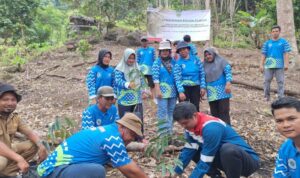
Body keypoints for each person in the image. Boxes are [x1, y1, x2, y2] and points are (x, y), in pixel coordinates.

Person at [37, 113, 148, 178]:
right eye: (132, 135)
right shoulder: (113, 139)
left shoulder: (108, 130)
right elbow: (130, 170)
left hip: (54, 168)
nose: (132, 139)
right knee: (97, 171)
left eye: (135, 137)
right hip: (52, 171)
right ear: (122, 127)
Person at [172, 102, 260, 178]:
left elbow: (206, 159)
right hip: (224, 159)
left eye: (185, 123)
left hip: (247, 162)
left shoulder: (210, 128)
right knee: (193, 150)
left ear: (194, 115)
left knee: (228, 150)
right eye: (181, 124)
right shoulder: (191, 127)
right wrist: (176, 172)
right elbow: (188, 151)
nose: (183, 127)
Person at [0, 83, 48, 177]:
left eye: (13, 100)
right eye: (5, 99)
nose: (10, 103)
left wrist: (41, 146)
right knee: (1, 162)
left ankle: (7, 173)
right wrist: (19, 158)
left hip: (8, 149)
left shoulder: (14, 117)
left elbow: (29, 133)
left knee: (34, 144)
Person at [114, 48, 146, 132]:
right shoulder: (119, 69)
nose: (131, 60)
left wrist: (144, 90)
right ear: (125, 57)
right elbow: (117, 81)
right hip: (124, 100)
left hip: (137, 99)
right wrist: (127, 84)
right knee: (125, 121)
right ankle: (126, 141)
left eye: (133, 58)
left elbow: (142, 80)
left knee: (137, 119)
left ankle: (139, 139)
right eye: (129, 58)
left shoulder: (137, 67)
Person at [152, 40, 177, 135]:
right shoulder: (157, 63)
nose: (165, 52)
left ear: (169, 51)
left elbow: (177, 76)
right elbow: (155, 77)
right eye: (163, 50)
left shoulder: (174, 62)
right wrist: (157, 90)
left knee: (171, 111)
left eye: (166, 50)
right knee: (162, 111)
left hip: (173, 91)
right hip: (161, 91)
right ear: (160, 52)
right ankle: (162, 135)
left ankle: (169, 133)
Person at [260, 25, 291, 101]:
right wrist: (261, 64)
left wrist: (286, 64)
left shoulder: (284, 42)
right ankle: (266, 97)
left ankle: (281, 98)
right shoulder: (267, 43)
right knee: (266, 81)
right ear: (271, 32)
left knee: (280, 82)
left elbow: (286, 53)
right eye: (273, 31)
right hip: (268, 65)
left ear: (279, 32)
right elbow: (263, 54)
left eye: (276, 31)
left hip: (280, 65)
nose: (275, 33)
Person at [271, 97, 300, 178]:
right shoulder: (286, 147)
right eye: (279, 121)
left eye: (291, 119)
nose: (285, 125)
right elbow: (280, 174)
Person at [174, 41, 206, 111]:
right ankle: (185, 122)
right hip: (184, 87)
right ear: (178, 52)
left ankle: (196, 121)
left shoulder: (196, 59)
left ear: (188, 49)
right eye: (180, 50)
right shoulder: (178, 63)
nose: (182, 51)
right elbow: (177, 78)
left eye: (184, 49)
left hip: (196, 87)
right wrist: (180, 91)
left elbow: (202, 73)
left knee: (195, 106)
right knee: (184, 108)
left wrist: (203, 87)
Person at [203, 48, 233, 125]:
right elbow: (202, 77)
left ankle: (227, 131)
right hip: (211, 91)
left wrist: (228, 83)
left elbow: (228, 72)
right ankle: (218, 131)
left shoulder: (222, 61)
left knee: (224, 112)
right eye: (206, 55)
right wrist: (203, 88)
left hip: (222, 90)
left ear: (213, 54)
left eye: (209, 54)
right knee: (214, 113)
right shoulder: (204, 64)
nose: (208, 56)